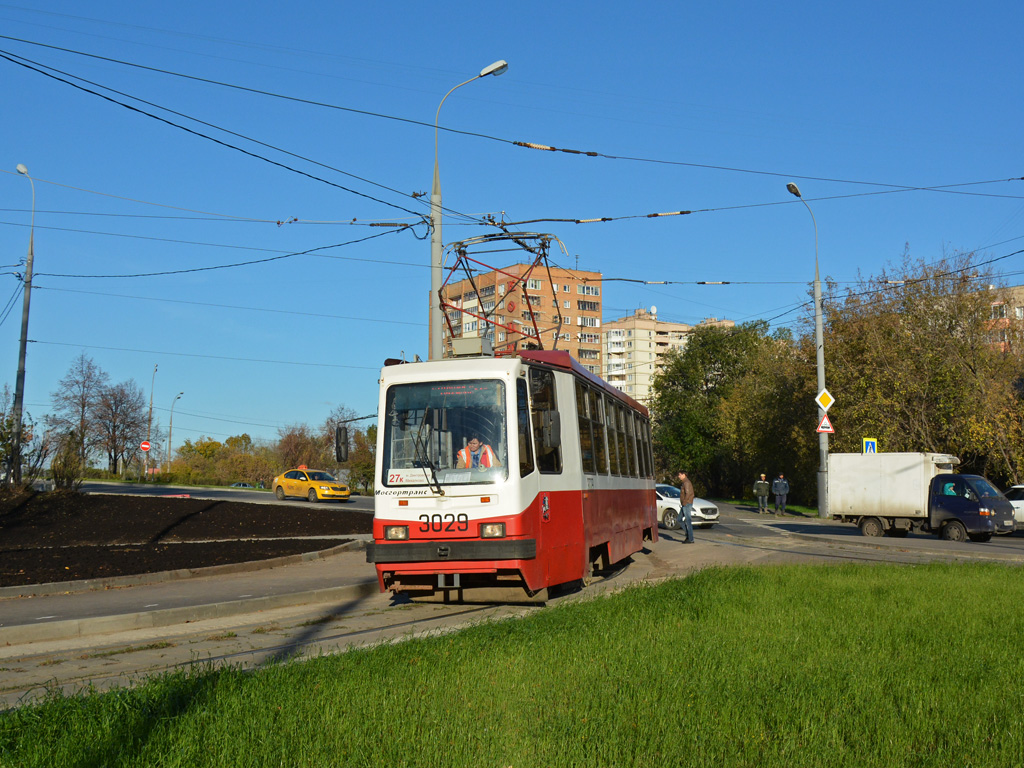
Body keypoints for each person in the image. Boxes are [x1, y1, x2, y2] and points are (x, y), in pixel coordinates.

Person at [677, 470, 695, 543]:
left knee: (688, 521)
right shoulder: (685, 482)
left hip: (687, 504)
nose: (679, 476)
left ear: (684, 474)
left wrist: (684, 502)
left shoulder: (686, 482)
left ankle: (690, 539)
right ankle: (688, 534)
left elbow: (688, 494)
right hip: (685, 504)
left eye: (680, 475)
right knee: (679, 519)